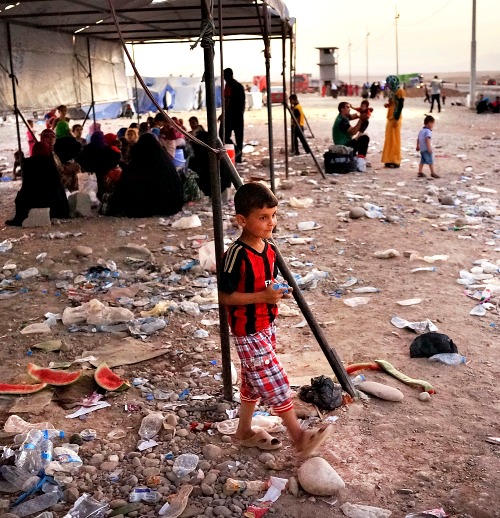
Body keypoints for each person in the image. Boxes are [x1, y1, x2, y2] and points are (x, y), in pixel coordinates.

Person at [218, 183, 331, 456]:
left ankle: (244, 431)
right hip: (247, 329)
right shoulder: (235, 255)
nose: (272, 223)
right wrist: (263, 296)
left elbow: (264, 284)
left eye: (274, 215)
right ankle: (299, 436)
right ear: (242, 220)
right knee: (274, 379)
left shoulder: (268, 248)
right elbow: (225, 297)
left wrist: (276, 292)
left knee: (252, 381)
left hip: (266, 323)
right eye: (263, 217)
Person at [107, 133, 183, 218]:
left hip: (146, 205)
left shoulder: (139, 162)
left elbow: (127, 181)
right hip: (170, 205)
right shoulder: (164, 161)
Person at [6, 142, 69, 226]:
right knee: (60, 190)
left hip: (33, 200)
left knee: (21, 196)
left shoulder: (28, 163)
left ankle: (19, 219)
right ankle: (61, 213)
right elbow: (57, 182)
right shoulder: (51, 162)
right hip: (52, 201)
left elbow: (26, 185)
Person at [220, 68, 245, 163]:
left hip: (230, 115)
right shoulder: (240, 86)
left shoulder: (228, 85)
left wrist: (223, 114)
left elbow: (227, 101)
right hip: (239, 115)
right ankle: (239, 157)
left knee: (223, 135)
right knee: (239, 137)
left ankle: (236, 151)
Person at [381, 75, 405, 168]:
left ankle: (395, 160)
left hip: (395, 118)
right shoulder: (392, 92)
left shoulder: (400, 92)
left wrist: (396, 118)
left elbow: (400, 107)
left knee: (395, 139)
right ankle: (388, 159)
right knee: (389, 138)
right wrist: (388, 105)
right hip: (390, 117)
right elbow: (392, 102)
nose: (388, 85)